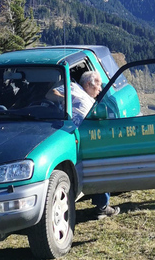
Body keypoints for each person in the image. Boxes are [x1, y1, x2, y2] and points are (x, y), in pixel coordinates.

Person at [49, 71, 119, 219]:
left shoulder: (90, 99)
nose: (100, 90)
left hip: (86, 137)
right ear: (88, 84)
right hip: (70, 137)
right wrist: (65, 101)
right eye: (98, 86)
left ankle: (102, 205)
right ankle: (101, 206)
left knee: (98, 165)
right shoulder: (74, 88)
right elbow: (51, 94)